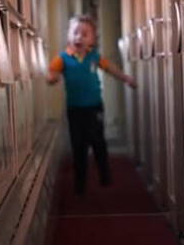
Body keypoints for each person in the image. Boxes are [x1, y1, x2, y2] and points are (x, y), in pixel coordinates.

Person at [47, 15, 136, 196]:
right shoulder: (63, 58)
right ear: (69, 36)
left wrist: (126, 78)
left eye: (85, 34)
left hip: (94, 107)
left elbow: (111, 69)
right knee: (78, 145)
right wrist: (52, 78)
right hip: (74, 109)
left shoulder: (95, 57)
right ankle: (80, 183)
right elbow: (52, 73)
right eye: (75, 33)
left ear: (93, 39)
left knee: (98, 141)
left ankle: (105, 174)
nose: (79, 37)